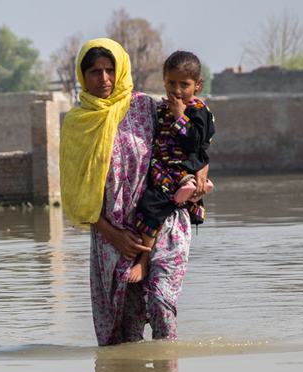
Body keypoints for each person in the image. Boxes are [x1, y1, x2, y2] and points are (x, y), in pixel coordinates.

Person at [59, 38, 207, 346]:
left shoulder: (147, 107)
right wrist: (113, 235)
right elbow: (77, 195)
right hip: (112, 237)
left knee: (161, 302)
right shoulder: (78, 124)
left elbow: (193, 146)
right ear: (82, 76)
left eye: (110, 70)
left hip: (162, 221)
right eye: (94, 72)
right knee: (125, 329)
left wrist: (200, 178)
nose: (104, 79)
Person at [127, 50, 216, 284]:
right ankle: (187, 189)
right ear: (164, 81)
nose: (177, 90)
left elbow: (195, 142)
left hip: (183, 166)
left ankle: (143, 260)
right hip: (162, 167)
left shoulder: (198, 110)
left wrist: (180, 115)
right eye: (171, 83)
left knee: (150, 207)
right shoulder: (160, 108)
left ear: (197, 85)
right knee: (152, 198)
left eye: (184, 84)